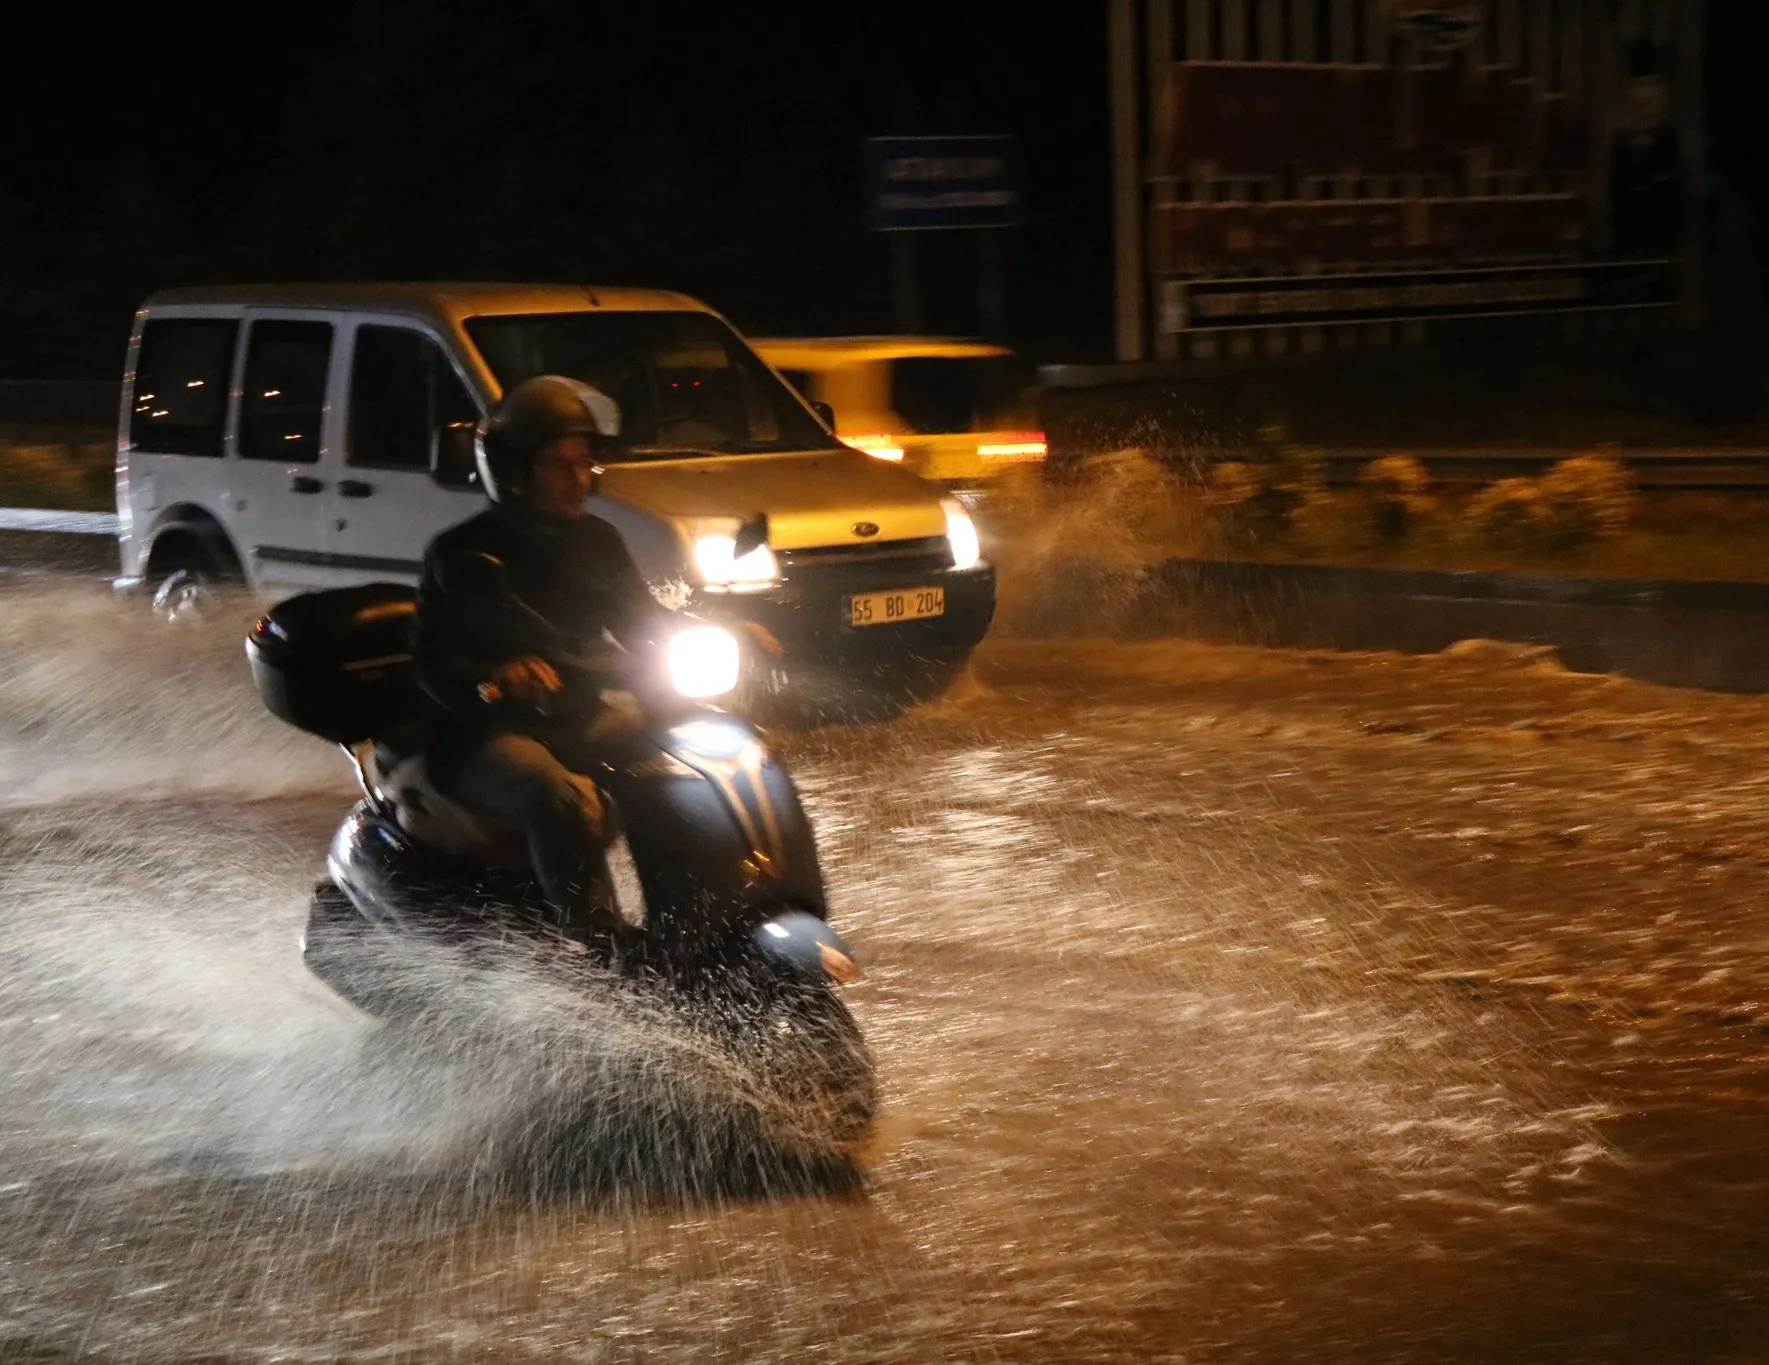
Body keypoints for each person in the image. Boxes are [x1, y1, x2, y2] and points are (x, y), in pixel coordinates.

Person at [412, 374, 669, 949]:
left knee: (698, 750)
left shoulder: (598, 541)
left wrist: (723, 636)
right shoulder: (460, 554)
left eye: (585, 463)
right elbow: (435, 670)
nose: (579, 479)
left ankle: (697, 913)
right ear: (514, 470)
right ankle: (597, 947)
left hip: (574, 716)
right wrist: (496, 680)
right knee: (562, 796)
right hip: (482, 735)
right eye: (559, 464)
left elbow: (644, 621)